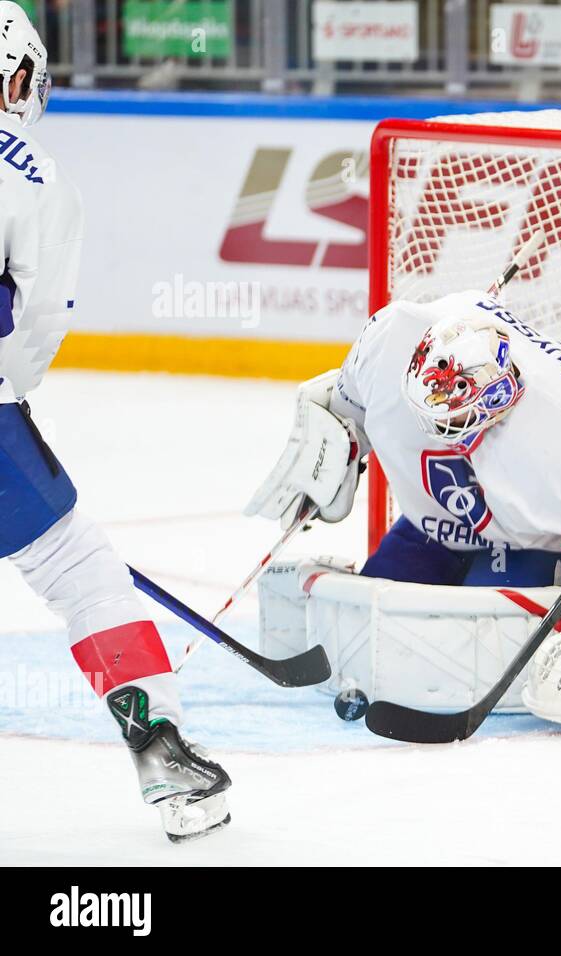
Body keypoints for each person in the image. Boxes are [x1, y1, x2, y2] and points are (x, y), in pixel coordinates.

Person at [247, 290, 561, 735]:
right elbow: (346, 407)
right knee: (376, 612)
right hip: (431, 524)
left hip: (525, 543)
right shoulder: (387, 339)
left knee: (473, 639)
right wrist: (333, 449)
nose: (459, 434)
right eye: (446, 426)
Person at [0, 2, 231, 842]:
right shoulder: (30, 176)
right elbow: (33, 330)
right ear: (14, 77)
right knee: (79, 569)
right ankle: (162, 753)